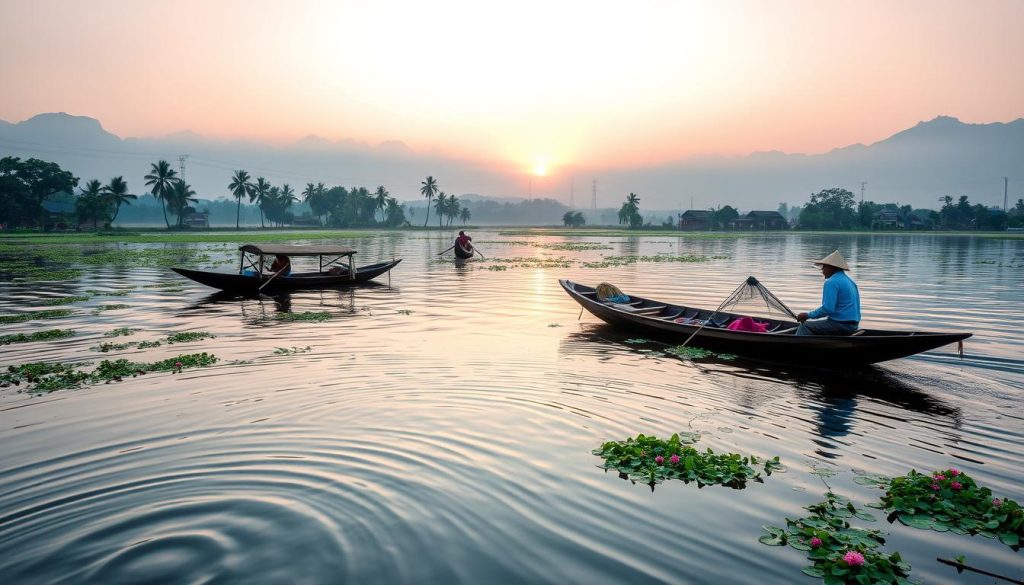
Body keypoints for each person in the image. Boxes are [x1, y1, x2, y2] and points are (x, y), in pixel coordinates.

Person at [796, 250, 860, 336]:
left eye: (824, 267)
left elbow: (828, 309)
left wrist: (807, 315)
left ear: (832, 267)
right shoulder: (850, 281)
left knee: (805, 326)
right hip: (853, 325)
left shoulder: (831, 282)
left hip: (841, 325)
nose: (822, 271)